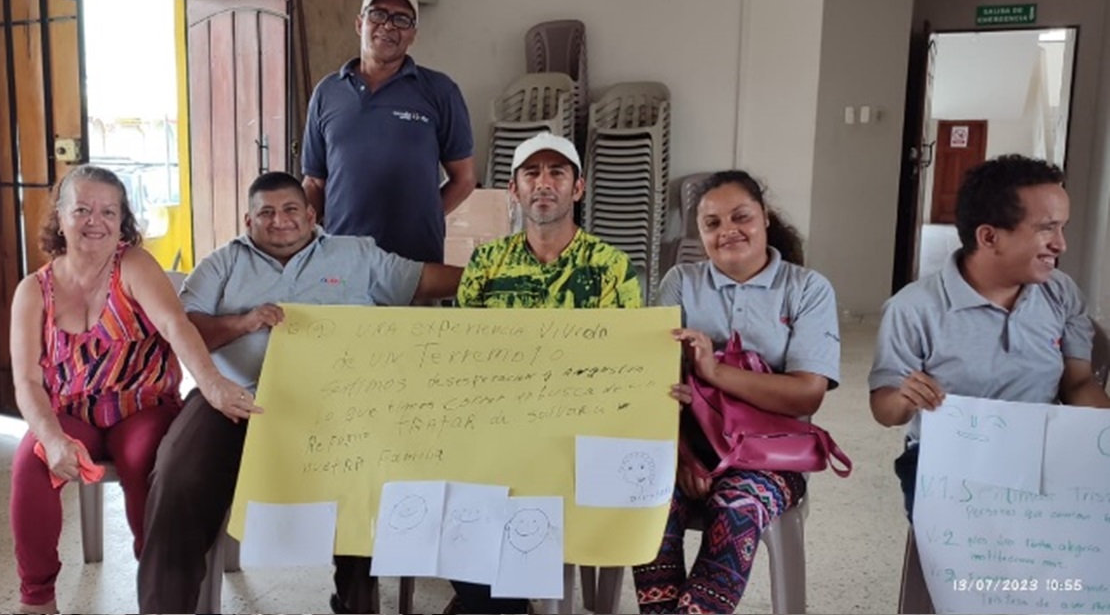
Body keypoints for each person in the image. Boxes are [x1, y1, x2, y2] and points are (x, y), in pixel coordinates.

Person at [136, 171, 463, 614]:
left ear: (311, 215)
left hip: (342, 408)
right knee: (178, 473)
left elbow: (422, 280)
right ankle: (166, 607)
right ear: (248, 221)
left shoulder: (356, 254)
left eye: (290, 209)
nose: (280, 221)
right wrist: (242, 323)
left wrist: (493, 275)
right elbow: (183, 329)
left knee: (369, 471)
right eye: (266, 213)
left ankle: (356, 601)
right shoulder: (223, 263)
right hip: (235, 397)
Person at [7, 165, 253, 613]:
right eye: (82, 210)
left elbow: (175, 325)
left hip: (143, 405)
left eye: (108, 211)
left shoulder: (133, 264)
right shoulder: (33, 290)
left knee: (145, 461)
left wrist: (213, 384)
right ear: (60, 216)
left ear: (122, 220)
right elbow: (26, 381)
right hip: (71, 411)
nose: (95, 221)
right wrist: (52, 438)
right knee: (32, 462)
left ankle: (161, 587)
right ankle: (37, 599)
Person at [632, 170, 840, 614]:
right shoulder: (681, 282)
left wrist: (714, 371)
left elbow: (806, 395)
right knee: (644, 497)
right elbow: (654, 383)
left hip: (770, 456)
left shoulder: (807, 289)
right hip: (688, 446)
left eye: (740, 216)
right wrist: (685, 456)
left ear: (765, 217)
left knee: (736, 507)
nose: (727, 230)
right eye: (712, 223)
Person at [451, 133, 644, 613]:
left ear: (577, 188)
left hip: (578, 432)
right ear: (513, 190)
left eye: (557, 172)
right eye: (531, 173)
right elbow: (461, 355)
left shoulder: (610, 267)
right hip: (496, 428)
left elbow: (626, 366)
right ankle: (499, 602)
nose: (543, 183)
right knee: (450, 496)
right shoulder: (486, 262)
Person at [869, 154, 1110, 519]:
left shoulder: (1060, 293)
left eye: (1062, 227)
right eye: (1047, 228)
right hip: (947, 460)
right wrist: (905, 397)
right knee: (971, 537)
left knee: (1080, 529)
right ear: (989, 237)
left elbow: (1076, 384)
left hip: (1038, 452)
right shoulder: (914, 309)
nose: (1061, 244)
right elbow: (885, 412)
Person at [301, 0, 477, 263]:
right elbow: (314, 183)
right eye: (378, 14)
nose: (388, 25)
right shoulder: (327, 92)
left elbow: (464, 179)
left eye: (401, 19)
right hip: (341, 260)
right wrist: (298, 235)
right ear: (360, 23)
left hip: (416, 262)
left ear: (413, 35)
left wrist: (425, 217)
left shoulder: (440, 91)